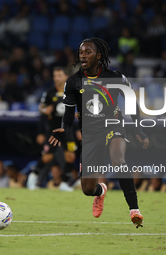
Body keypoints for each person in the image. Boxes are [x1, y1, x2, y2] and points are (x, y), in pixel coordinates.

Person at [49, 38, 149, 228]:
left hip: (113, 125)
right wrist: (64, 128)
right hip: (90, 134)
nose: (83, 56)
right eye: (81, 52)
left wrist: (137, 128)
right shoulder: (73, 82)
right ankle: (100, 191)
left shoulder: (116, 78)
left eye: (88, 52)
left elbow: (132, 104)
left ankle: (134, 210)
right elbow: (68, 115)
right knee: (87, 189)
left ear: (99, 55)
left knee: (118, 159)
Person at [30, 67, 77, 191]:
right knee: (47, 157)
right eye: (55, 76)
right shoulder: (49, 93)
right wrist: (45, 110)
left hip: (68, 130)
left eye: (59, 75)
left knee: (70, 156)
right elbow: (41, 109)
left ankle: (65, 183)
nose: (56, 78)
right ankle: (33, 176)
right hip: (53, 130)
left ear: (66, 77)